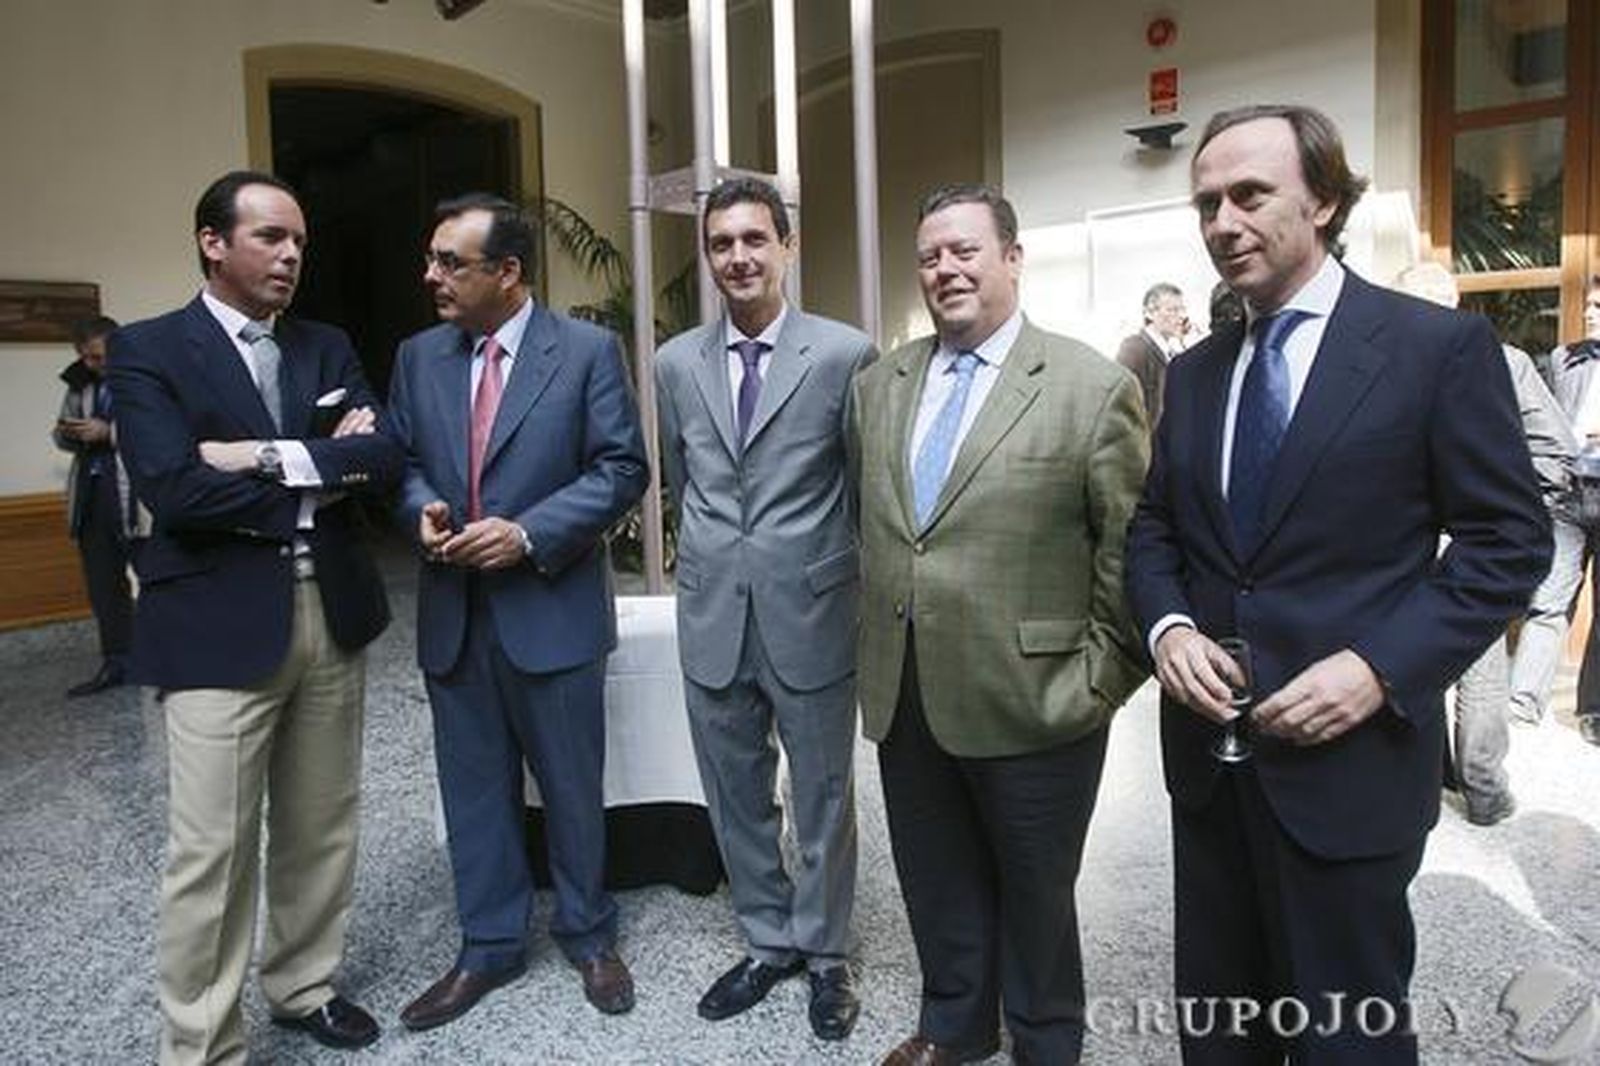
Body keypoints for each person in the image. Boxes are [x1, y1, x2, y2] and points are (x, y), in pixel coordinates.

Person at [1126, 105, 1550, 1064]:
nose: (1223, 222)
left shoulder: (1434, 349)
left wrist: (1378, 668)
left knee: (1347, 1037)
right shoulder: (1196, 374)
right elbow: (1154, 529)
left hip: (1349, 771)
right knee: (1221, 1033)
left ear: (1322, 200)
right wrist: (1169, 629)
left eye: (1250, 195)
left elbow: (1508, 542)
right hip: (1211, 773)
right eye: (1207, 204)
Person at [852, 183, 1149, 1065]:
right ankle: (955, 1026)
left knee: (1037, 890)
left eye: (965, 250)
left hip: (1038, 696)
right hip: (907, 688)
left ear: (1013, 259)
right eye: (929, 255)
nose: (945, 268)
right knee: (935, 877)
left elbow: (1127, 548)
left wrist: (1099, 680)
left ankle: (1047, 1039)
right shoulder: (878, 387)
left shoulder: (1092, 387)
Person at [109, 170, 402, 1063]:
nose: (290, 256)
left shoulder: (324, 344)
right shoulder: (148, 349)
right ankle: (200, 1042)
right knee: (212, 847)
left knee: (322, 822)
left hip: (332, 612)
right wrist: (320, 465)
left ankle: (303, 986)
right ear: (213, 242)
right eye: (271, 237)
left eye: (299, 242)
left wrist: (256, 456)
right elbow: (174, 487)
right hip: (214, 622)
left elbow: (382, 457)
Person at [387, 193, 650, 1030]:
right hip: (455, 615)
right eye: (431, 259)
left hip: (552, 609)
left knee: (571, 786)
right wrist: (421, 511)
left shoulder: (585, 351)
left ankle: (588, 934)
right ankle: (489, 945)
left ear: (508, 271)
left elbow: (622, 468)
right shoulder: (417, 357)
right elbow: (399, 461)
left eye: (449, 262)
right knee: (473, 790)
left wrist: (529, 533)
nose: (431, 276)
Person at [654, 177, 876, 1040]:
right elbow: (683, 477)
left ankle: (824, 953)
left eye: (755, 239)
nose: (738, 257)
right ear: (708, 255)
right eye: (722, 243)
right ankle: (766, 938)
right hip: (714, 607)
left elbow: (860, 485)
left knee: (822, 792)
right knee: (734, 790)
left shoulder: (844, 354)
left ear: (788, 245)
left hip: (811, 607)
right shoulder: (675, 363)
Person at [1394, 260, 1575, 823]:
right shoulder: (1494, 359)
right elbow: (1556, 450)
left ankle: (1463, 785)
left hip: (1451, 542)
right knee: (1469, 665)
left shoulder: (1497, 361)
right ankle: (1478, 788)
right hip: (1427, 543)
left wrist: (1510, 517)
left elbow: (1553, 450)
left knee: (1434, 660)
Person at [53, 314, 133, 696]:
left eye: (98, 356)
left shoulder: (143, 376)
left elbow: (160, 431)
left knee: (155, 579)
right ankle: (117, 662)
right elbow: (60, 433)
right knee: (103, 584)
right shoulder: (79, 382)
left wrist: (108, 431)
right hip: (91, 491)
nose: (91, 364)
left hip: (133, 493)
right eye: (84, 357)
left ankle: (166, 664)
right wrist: (68, 433)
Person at [1542, 274, 1600, 746]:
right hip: (1568, 493)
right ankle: (1524, 703)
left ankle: (1593, 709)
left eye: (1599, 306)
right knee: (1548, 596)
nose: (1588, 312)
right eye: (1590, 304)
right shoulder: (1565, 358)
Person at [1116, 281, 1189, 429]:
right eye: (1172, 310)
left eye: (1182, 309)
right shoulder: (1134, 348)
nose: (1182, 316)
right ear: (1149, 313)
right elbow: (1121, 404)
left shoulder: (1171, 350)